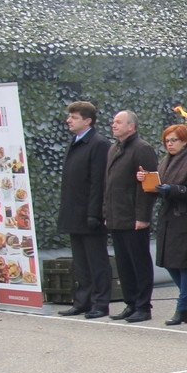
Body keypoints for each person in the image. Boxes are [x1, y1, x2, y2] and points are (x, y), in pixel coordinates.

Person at [139, 125, 187, 324]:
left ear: (185, 141)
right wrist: (147, 180)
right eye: (167, 141)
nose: (170, 144)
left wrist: (174, 190)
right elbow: (159, 185)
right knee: (168, 262)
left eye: (174, 140)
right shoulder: (165, 161)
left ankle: (183, 305)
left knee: (184, 263)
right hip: (169, 217)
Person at [56, 101, 111, 319]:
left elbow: (98, 182)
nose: (69, 120)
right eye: (69, 116)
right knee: (81, 262)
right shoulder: (75, 142)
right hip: (74, 212)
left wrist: (94, 213)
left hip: (90, 214)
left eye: (74, 117)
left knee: (96, 261)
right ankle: (83, 300)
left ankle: (100, 302)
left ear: (87, 121)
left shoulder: (98, 144)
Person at [103, 110, 158, 322]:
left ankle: (143, 306)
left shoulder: (142, 149)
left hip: (134, 217)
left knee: (139, 262)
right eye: (113, 121)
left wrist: (142, 216)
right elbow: (108, 184)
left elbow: (148, 185)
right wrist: (107, 212)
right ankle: (130, 303)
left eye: (118, 122)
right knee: (124, 263)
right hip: (117, 216)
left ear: (131, 127)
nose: (113, 125)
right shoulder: (113, 149)